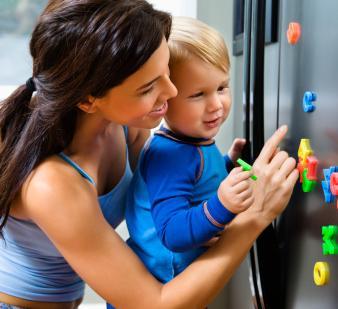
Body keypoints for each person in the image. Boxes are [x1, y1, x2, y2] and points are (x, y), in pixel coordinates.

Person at [0, 0, 298, 308]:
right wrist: (255, 216)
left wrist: (209, 215)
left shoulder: (129, 128)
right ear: (88, 101)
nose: (171, 91)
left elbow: (167, 204)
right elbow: (155, 304)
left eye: (166, 70)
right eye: (147, 87)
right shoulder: (52, 183)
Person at [126, 16, 254, 284]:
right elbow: (171, 232)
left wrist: (228, 163)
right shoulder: (170, 156)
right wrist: (223, 204)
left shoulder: (190, 138)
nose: (216, 105)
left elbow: (196, 181)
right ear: (164, 98)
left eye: (221, 88)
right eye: (198, 95)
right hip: (160, 284)